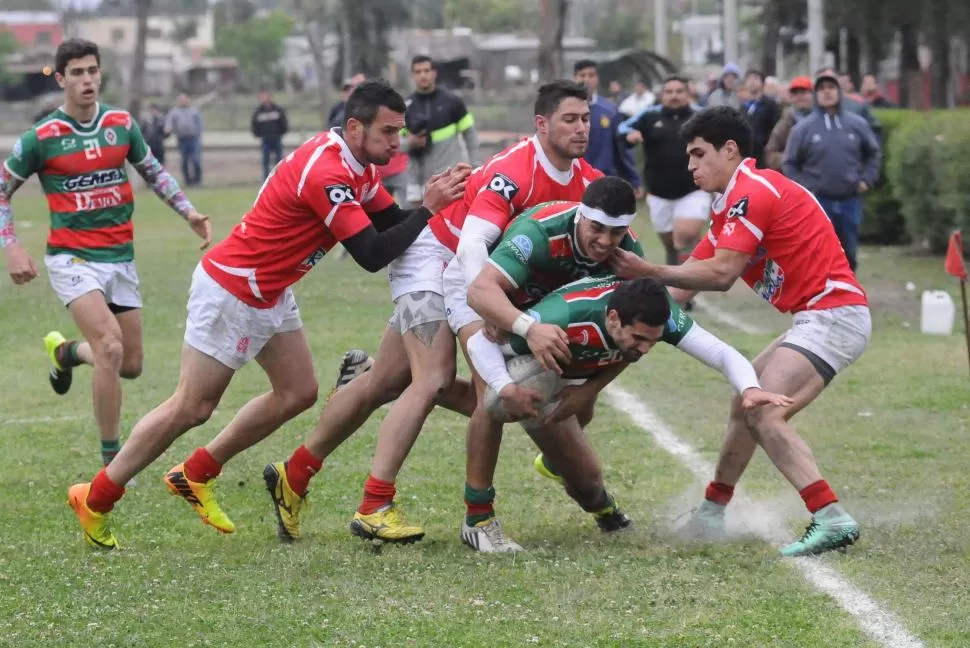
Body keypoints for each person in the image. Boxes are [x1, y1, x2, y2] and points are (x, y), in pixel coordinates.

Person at [65, 79, 469, 549]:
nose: (397, 144)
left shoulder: (358, 164)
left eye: (400, 133)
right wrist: (428, 209)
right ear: (355, 126)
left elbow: (389, 219)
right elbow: (372, 253)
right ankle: (96, 496)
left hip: (270, 291)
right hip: (233, 289)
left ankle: (195, 474)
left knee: (298, 392)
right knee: (191, 407)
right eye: (388, 132)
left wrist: (442, 205)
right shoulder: (328, 172)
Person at [264, 81, 602, 547]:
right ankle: (385, 507)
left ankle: (294, 473)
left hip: (470, 272)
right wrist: (491, 309)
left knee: (383, 383)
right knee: (441, 380)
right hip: (433, 256)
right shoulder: (514, 170)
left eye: (586, 118)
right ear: (542, 124)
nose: (581, 128)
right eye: (570, 119)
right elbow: (470, 247)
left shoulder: (587, 182)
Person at [461, 181, 792, 551]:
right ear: (581, 217)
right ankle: (478, 518)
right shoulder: (540, 236)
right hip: (486, 297)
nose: (605, 241)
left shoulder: (636, 284)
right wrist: (523, 331)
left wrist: (589, 389)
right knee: (488, 402)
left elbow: (648, 343)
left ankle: (593, 497)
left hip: (552, 327)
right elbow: (479, 293)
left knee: (584, 473)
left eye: (616, 232)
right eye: (597, 229)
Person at [610, 106, 871, 557]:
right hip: (816, 318)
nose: (690, 166)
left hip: (833, 316)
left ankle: (830, 516)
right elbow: (685, 281)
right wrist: (621, 324)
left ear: (730, 150)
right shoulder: (730, 203)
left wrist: (645, 267)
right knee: (745, 399)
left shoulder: (752, 191)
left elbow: (721, 274)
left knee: (764, 412)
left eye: (698, 154)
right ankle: (712, 512)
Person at [1, 38, 209, 475]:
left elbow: (152, 169)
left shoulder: (121, 124)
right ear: (61, 80)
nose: (86, 80)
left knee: (129, 364)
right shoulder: (41, 138)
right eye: (76, 73)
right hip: (72, 258)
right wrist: (12, 245)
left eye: (92, 70)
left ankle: (68, 354)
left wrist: (187, 211)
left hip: (121, 258)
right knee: (110, 347)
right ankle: (112, 462)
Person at [782, 72, 881, 272]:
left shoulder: (857, 124)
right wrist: (804, 189)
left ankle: (848, 297)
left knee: (849, 254)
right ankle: (821, 298)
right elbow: (790, 163)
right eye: (821, 88)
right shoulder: (803, 128)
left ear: (839, 92)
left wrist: (866, 179)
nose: (827, 92)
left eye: (831, 88)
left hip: (849, 200)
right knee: (818, 254)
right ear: (816, 94)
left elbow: (873, 153)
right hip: (818, 202)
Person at [618, 76, 710, 270]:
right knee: (671, 246)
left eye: (679, 91)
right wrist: (629, 135)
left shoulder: (702, 116)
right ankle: (677, 284)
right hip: (658, 193)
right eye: (669, 92)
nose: (674, 96)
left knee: (683, 237)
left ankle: (687, 285)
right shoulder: (649, 115)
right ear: (662, 95)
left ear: (688, 94)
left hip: (693, 189)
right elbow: (622, 127)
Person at [402, 55, 480, 206]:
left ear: (434, 73)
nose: (422, 75)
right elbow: (393, 143)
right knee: (418, 225)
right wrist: (409, 143)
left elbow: (470, 135)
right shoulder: (405, 107)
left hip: (449, 177)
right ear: (413, 75)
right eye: (418, 72)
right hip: (416, 181)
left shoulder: (452, 101)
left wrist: (476, 168)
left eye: (426, 70)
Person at [573, 60, 642, 196]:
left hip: (604, 180)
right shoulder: (564, 110)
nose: (587, 79)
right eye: (582, 75)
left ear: (597, 79)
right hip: (573, 180)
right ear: (574, 78)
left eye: (591, 75)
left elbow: (620, 148)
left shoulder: (610, 109)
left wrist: (633, 179)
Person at [764, 76, 813, 171]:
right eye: (795, 93)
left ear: (813, 95)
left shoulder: (824, 120)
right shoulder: (785, 123)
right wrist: (791, 158)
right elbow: (769, 154)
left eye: (803, 92)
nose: (799, 96)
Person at [741, 69, 782, 169]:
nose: (752, 82)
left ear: (762, 83)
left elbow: (776, 128)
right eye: (749, 79)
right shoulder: (743, 107)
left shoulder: (771, 105)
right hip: (747, 155)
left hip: (764, 155)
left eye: (755, 78)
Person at [165, 93, 203, 186]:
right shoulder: (174, 112)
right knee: (184, 161)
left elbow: (200, 124)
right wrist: (168, 129)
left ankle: (197, 181)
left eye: (184, 100)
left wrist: (199, 135)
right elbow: (169, 122)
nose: (183, 102)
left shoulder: (194, 111)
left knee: (196, 160)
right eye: (181, 100)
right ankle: (187, 181)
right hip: (182, 139)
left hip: (194, 139)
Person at [251, 90, 289, 180]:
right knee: (266, 162)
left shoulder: (277, 109)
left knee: (279, 161)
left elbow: (283, 123)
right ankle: (266, 180)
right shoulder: (258, 112)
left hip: (276, 139)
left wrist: (280, 133)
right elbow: (254, 125)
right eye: (261, 96)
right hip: (265, 141)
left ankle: (280, 179)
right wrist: (259, 134)